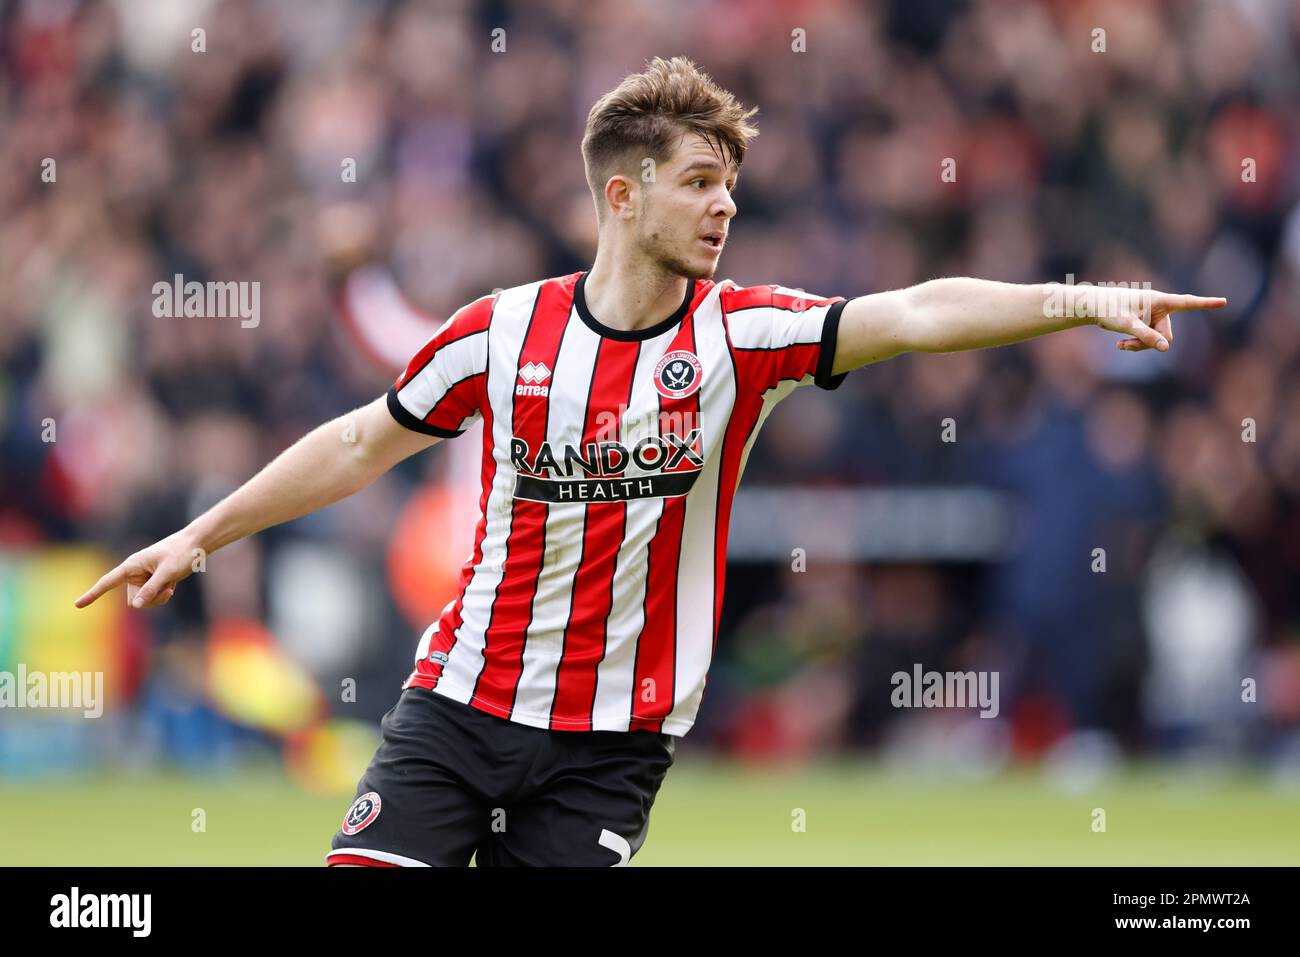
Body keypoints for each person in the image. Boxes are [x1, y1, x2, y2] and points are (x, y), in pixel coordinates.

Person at [75, 56, 1225, 866]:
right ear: (622, 198)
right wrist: (198, 534)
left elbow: (917, 311)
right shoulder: (499, 332)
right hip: (461, 705)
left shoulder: (744, 335)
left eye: (730, 184)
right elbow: (358, 441)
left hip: (613, 745)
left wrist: (1080, 301)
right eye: (698, 182)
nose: (725, 205)